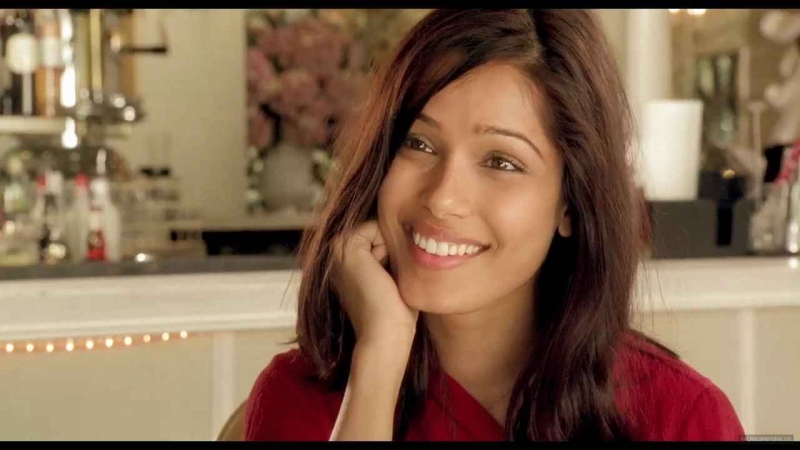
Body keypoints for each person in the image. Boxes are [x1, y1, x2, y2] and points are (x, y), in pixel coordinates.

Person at [243, 9, 745, 441]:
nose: (442, 198)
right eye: (419, 143)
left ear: (571, 204)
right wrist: (377, 363)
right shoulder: (299, 397)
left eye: (501, 162)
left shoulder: (680, 416)